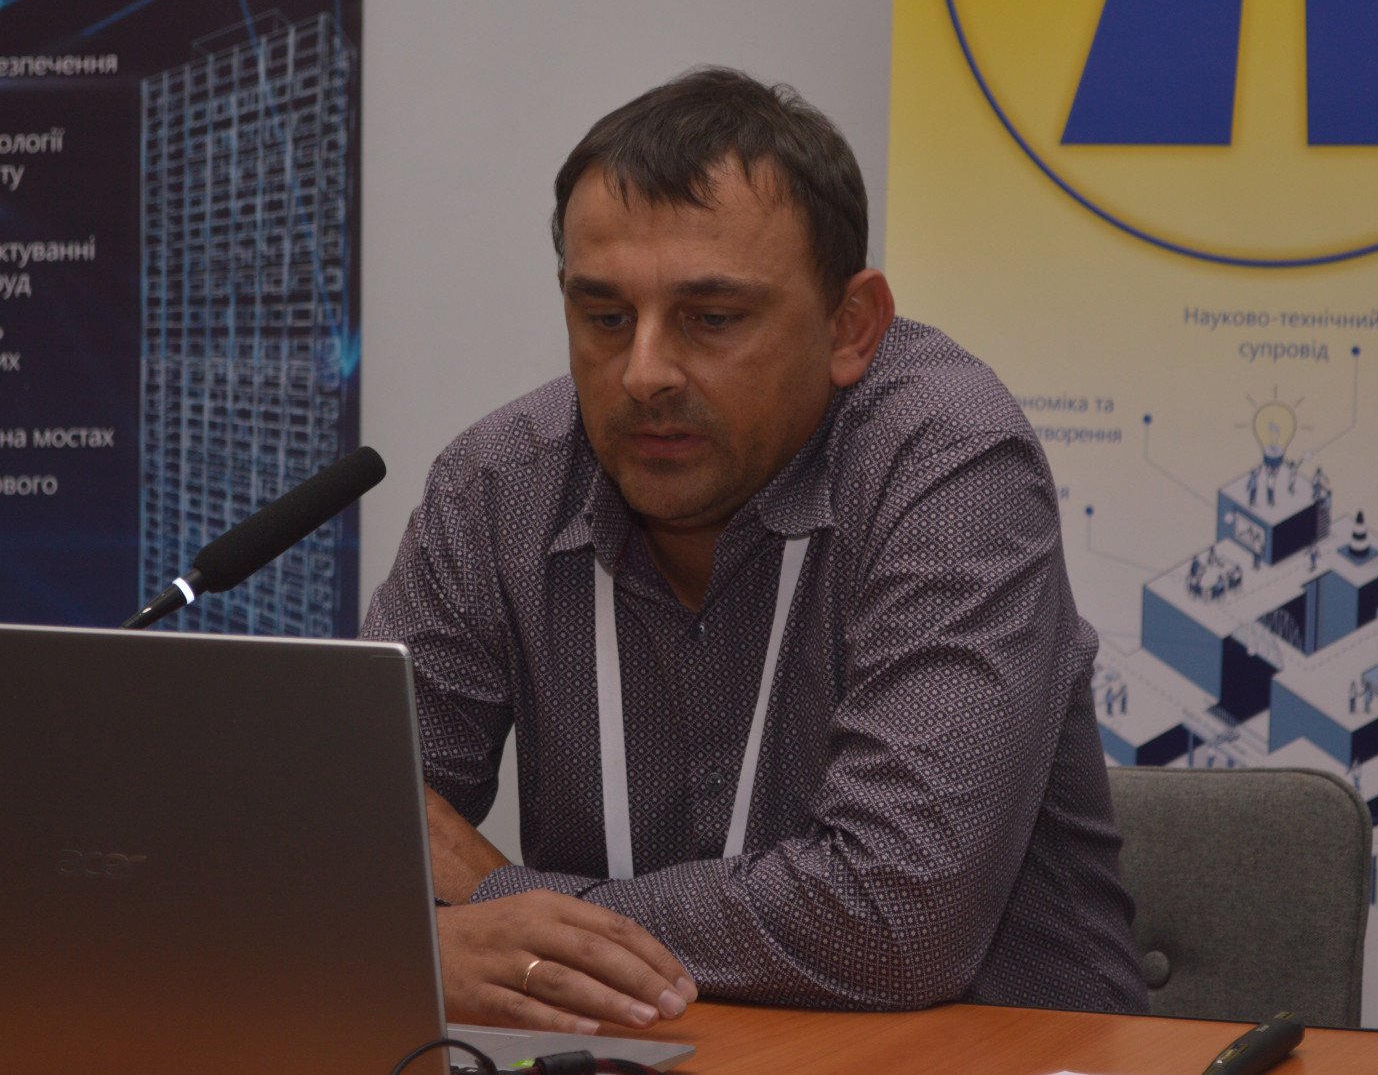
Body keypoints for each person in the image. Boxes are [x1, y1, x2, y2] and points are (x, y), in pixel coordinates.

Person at [361, 69, 1145, 1036]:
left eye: (713, 318)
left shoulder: (949, 463)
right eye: (604, 317)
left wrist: (500, 899)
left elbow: (896, 918)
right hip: (649, 1052)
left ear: (850, 328)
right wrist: (408, 937)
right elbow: (352, 831)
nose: (643, 373)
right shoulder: (498, 485)